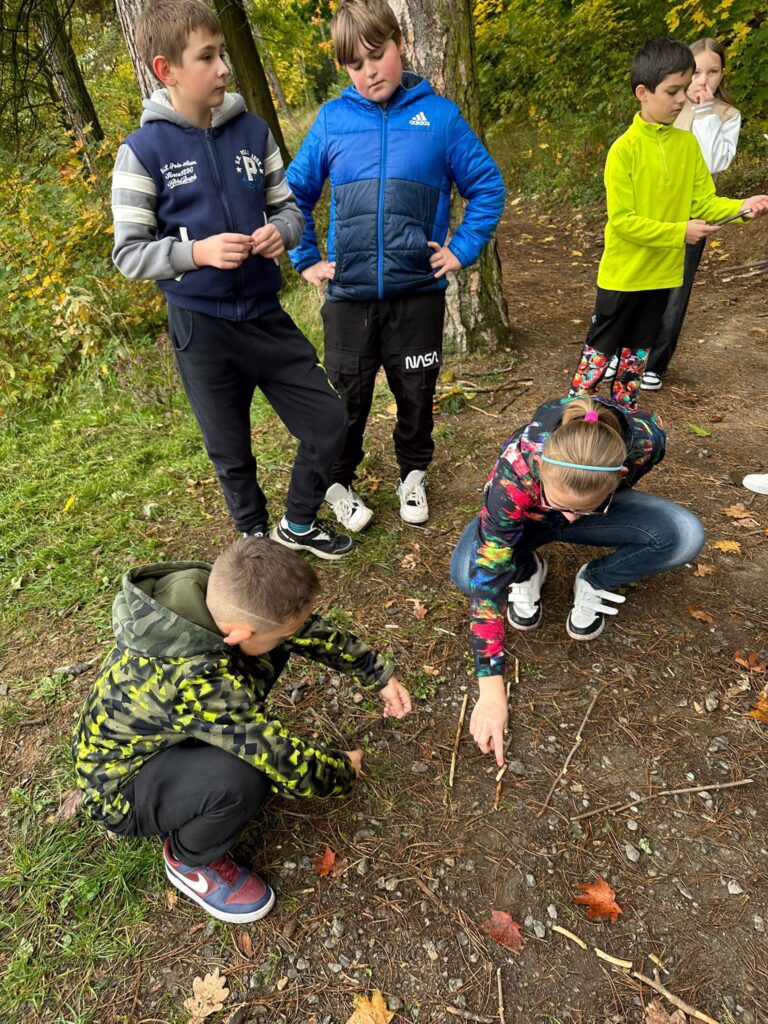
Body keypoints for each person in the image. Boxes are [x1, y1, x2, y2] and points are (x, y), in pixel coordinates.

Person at [111, 0, 352, 560]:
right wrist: (196, 253)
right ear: (167, 70)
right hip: (201, 327)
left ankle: (298, 522)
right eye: (207, 57)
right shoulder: (141, 152)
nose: (224, 68)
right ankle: (253, 537)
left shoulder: (254, 131)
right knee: (230, 449)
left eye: (222, 53)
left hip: (264, 313)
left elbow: (289, 210)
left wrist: (281, 232)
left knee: (328, 420)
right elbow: (129, 254)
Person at [72, 537, 412, 923]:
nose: (287, 640)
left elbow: (299, 628)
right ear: (237, 634)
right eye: (279, 635)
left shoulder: (213, 596)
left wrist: (375, 673)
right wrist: (341, 770)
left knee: (270, 645)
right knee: (243, 778)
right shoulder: (196, 679)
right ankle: (189, 859)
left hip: (162, 740)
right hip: (121, 791)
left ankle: (195, 781)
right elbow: (281, 760)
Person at [286, 0, 505, 531]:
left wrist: (460, 248)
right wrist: (306, 259)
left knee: (416, 393)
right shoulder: (333, 120)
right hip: (349, 297)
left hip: (417, 295)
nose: (369, 72)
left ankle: (413, 475)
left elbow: (487, 188)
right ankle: (338, 483)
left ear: (398, 43)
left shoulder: (441, 118)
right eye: (355, 65)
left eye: (376, 55)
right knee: (345, 401)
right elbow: (292, 195)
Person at [450, 395, 705, 765]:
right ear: (540, 466)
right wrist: (491, 692)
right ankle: (527, 569)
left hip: (591, 502)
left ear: (621, 472)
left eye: (580, 508)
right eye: (560, 505)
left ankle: (597, 578)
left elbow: (596, 497)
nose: (569, 519)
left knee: (684, 534)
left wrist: (589, 505)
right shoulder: (514, 472)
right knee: (467, 572)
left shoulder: (645, 443)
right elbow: (486, 582)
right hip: (527, 518)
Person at [569, 36, 767, 411]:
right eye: (672, 91)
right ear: (643, 93)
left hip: (662, 276)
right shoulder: (624, 150)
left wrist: (743, 207)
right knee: (596, 361)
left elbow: (704, 202)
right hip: (623, 276)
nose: (682, 99)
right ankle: (575, 426)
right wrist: (681, 232)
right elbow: (624, 223)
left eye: (685, 88)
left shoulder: (687, 146)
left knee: (634, 362)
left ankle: (623, 420)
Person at [641, 38, 742, 391]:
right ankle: (626, 353)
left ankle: (655, 362)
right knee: (640, 283)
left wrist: (705, 112)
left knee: (676, 289)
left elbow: (714, 162)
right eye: (696, 72)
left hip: (694, 214)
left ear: (721, 74)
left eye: (712, 72)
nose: (703, 80)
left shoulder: (727, 115)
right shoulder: (669, 105)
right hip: (654, 209)